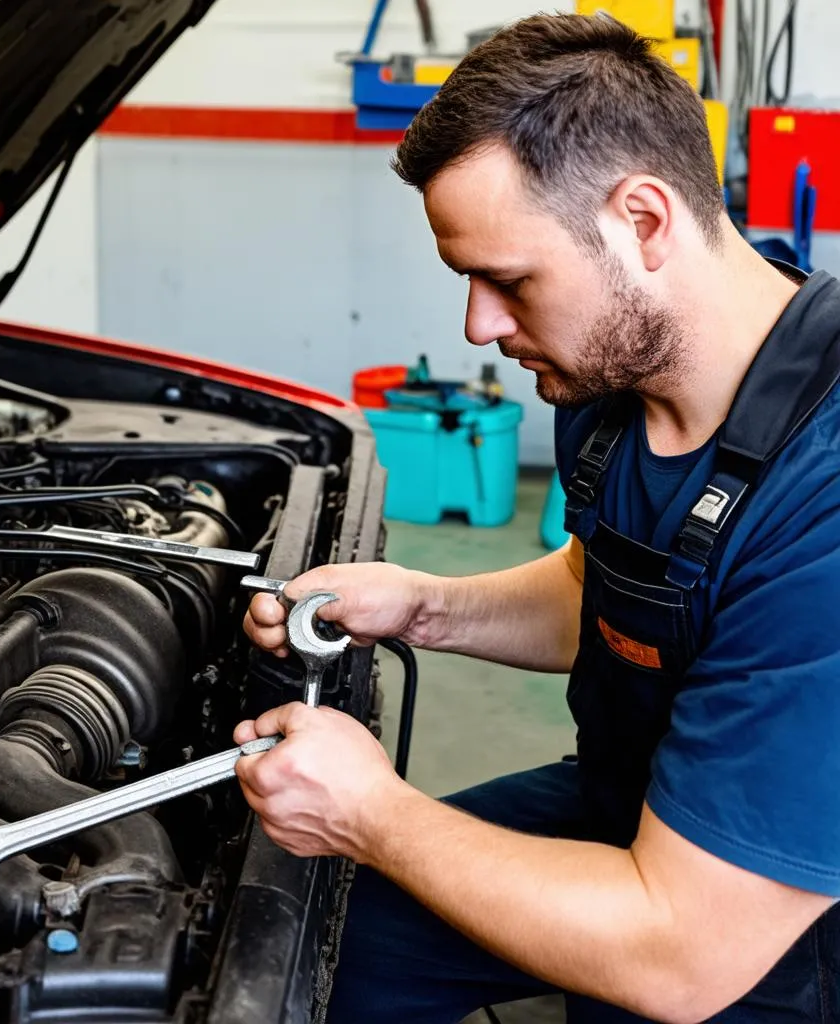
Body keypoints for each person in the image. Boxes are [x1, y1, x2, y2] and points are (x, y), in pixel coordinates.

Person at [234, 12, 840, 1023]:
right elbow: (608, 594)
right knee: (312, 952)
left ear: (644, 222)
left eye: (508, 280)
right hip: (629, 808)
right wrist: (420, 605)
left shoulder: (819, 498)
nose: (478, 323)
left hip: (767, 928)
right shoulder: (614, 380)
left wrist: (374, 812)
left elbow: (680, 957)